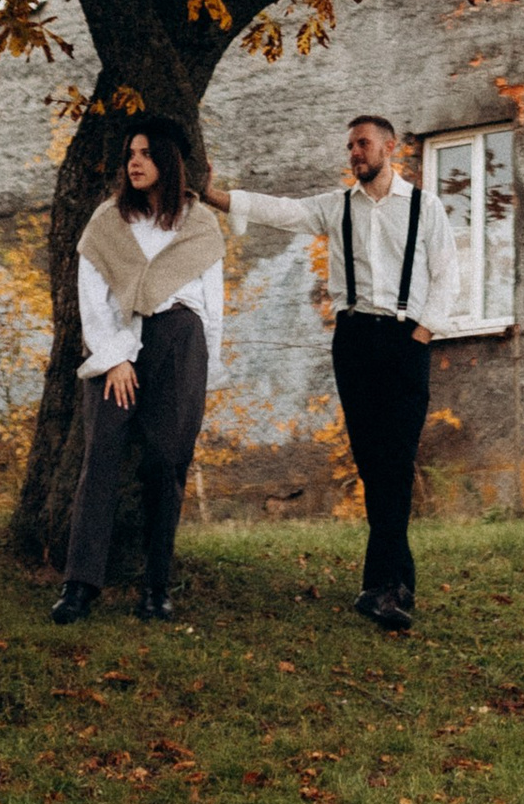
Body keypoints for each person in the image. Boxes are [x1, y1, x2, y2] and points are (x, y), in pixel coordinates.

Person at [220, 115, 460, 630]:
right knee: (374, 463)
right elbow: (283, 212)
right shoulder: (337, 207)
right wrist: (219, 198)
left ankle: (384, 588)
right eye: (351, 145)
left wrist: (423, 332)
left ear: (390, 148)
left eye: (364, 144)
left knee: (395, 460)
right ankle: (395, 584)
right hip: (352, 340)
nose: (356, 152)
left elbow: (447, 275)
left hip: (404, 339)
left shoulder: (425, 206)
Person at [51, 117, 226, 628]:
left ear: (168, 161)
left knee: (165, 464)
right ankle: (79, 585)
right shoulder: (108, 221)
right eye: (131, 153)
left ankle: (155, 587)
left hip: (179, 341)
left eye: (146, 153)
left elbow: (212, 305)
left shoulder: (198, 224)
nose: (135, 161)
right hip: (116, 347)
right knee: (100, 458)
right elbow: (92, 297)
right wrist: (115, 357)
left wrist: (201, 375)